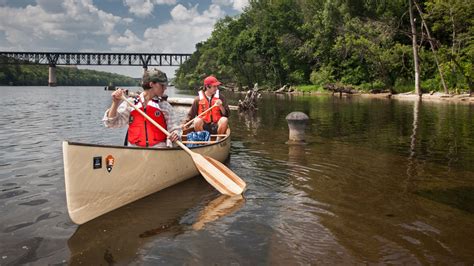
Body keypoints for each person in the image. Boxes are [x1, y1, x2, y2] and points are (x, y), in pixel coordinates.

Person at [103, 68, 181, 148]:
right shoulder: (131, 103)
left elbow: (175, 128)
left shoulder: (164, 106)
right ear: (151, 84)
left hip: (159, 150)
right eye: (162, 85)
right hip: (134, 151)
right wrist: (115, 103)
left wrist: (175, 134)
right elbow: (111, 123)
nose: (165, 88)